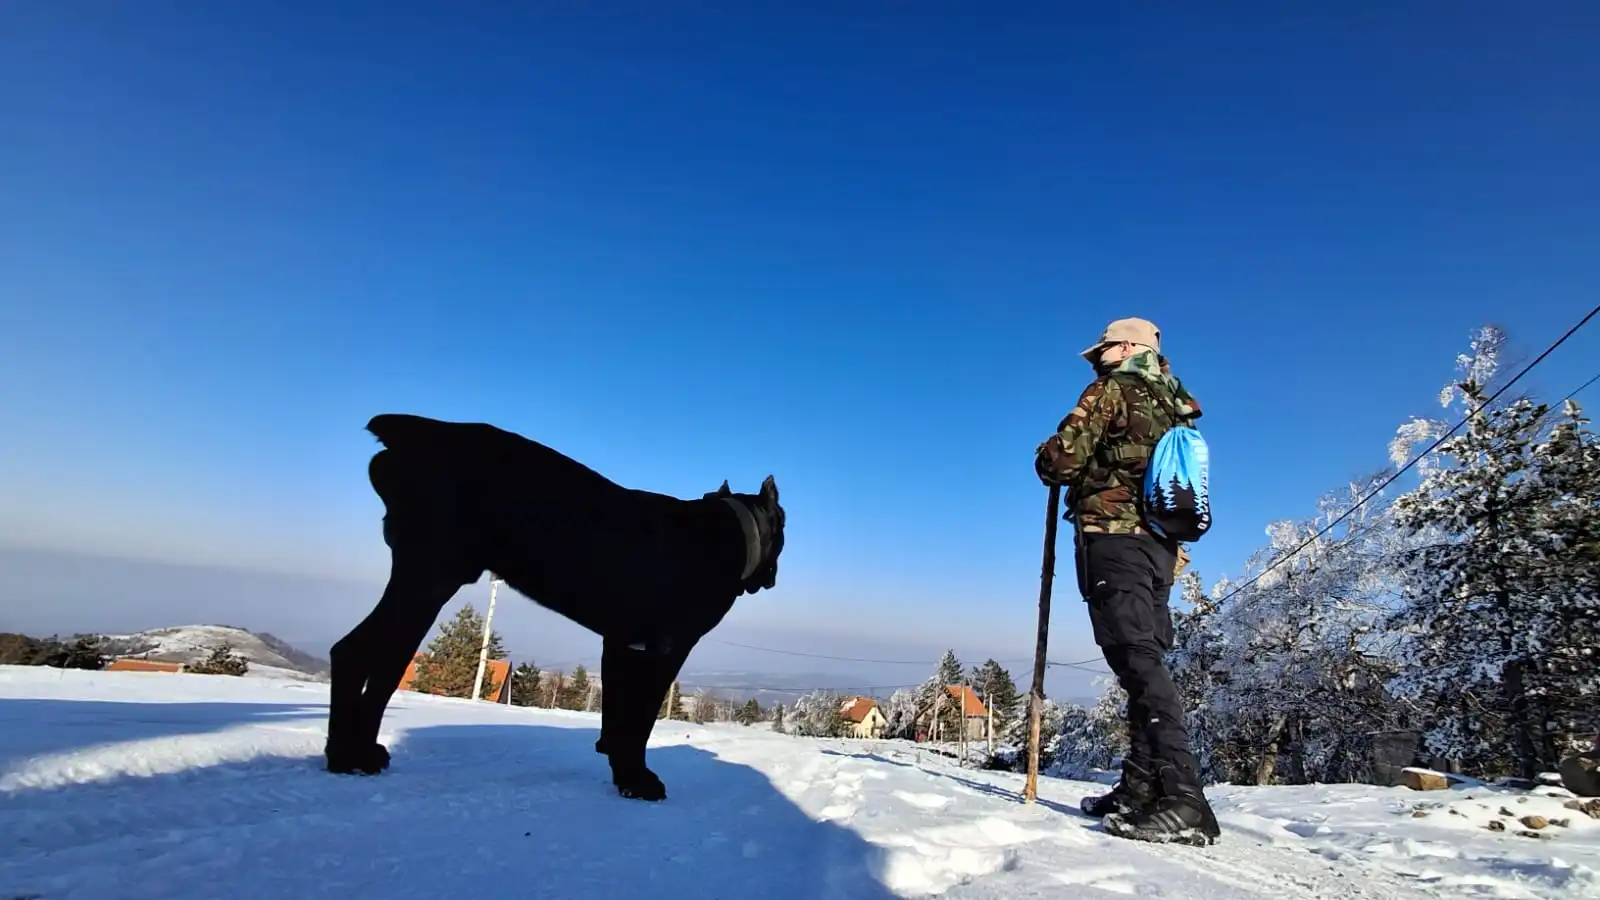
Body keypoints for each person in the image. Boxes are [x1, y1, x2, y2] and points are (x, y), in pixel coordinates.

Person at [1034, 316, 1221, 846]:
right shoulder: (1176, 403)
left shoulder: (1111, 390)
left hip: (1114, 539)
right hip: (1160, 547)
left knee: (1136, 659)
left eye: (1105, 348)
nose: (1098, 356)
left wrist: (1044, 453)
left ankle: (1184, 798)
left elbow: (1062, 461)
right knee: (1142, 656)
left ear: (1125, 348)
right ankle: (1140, 786)